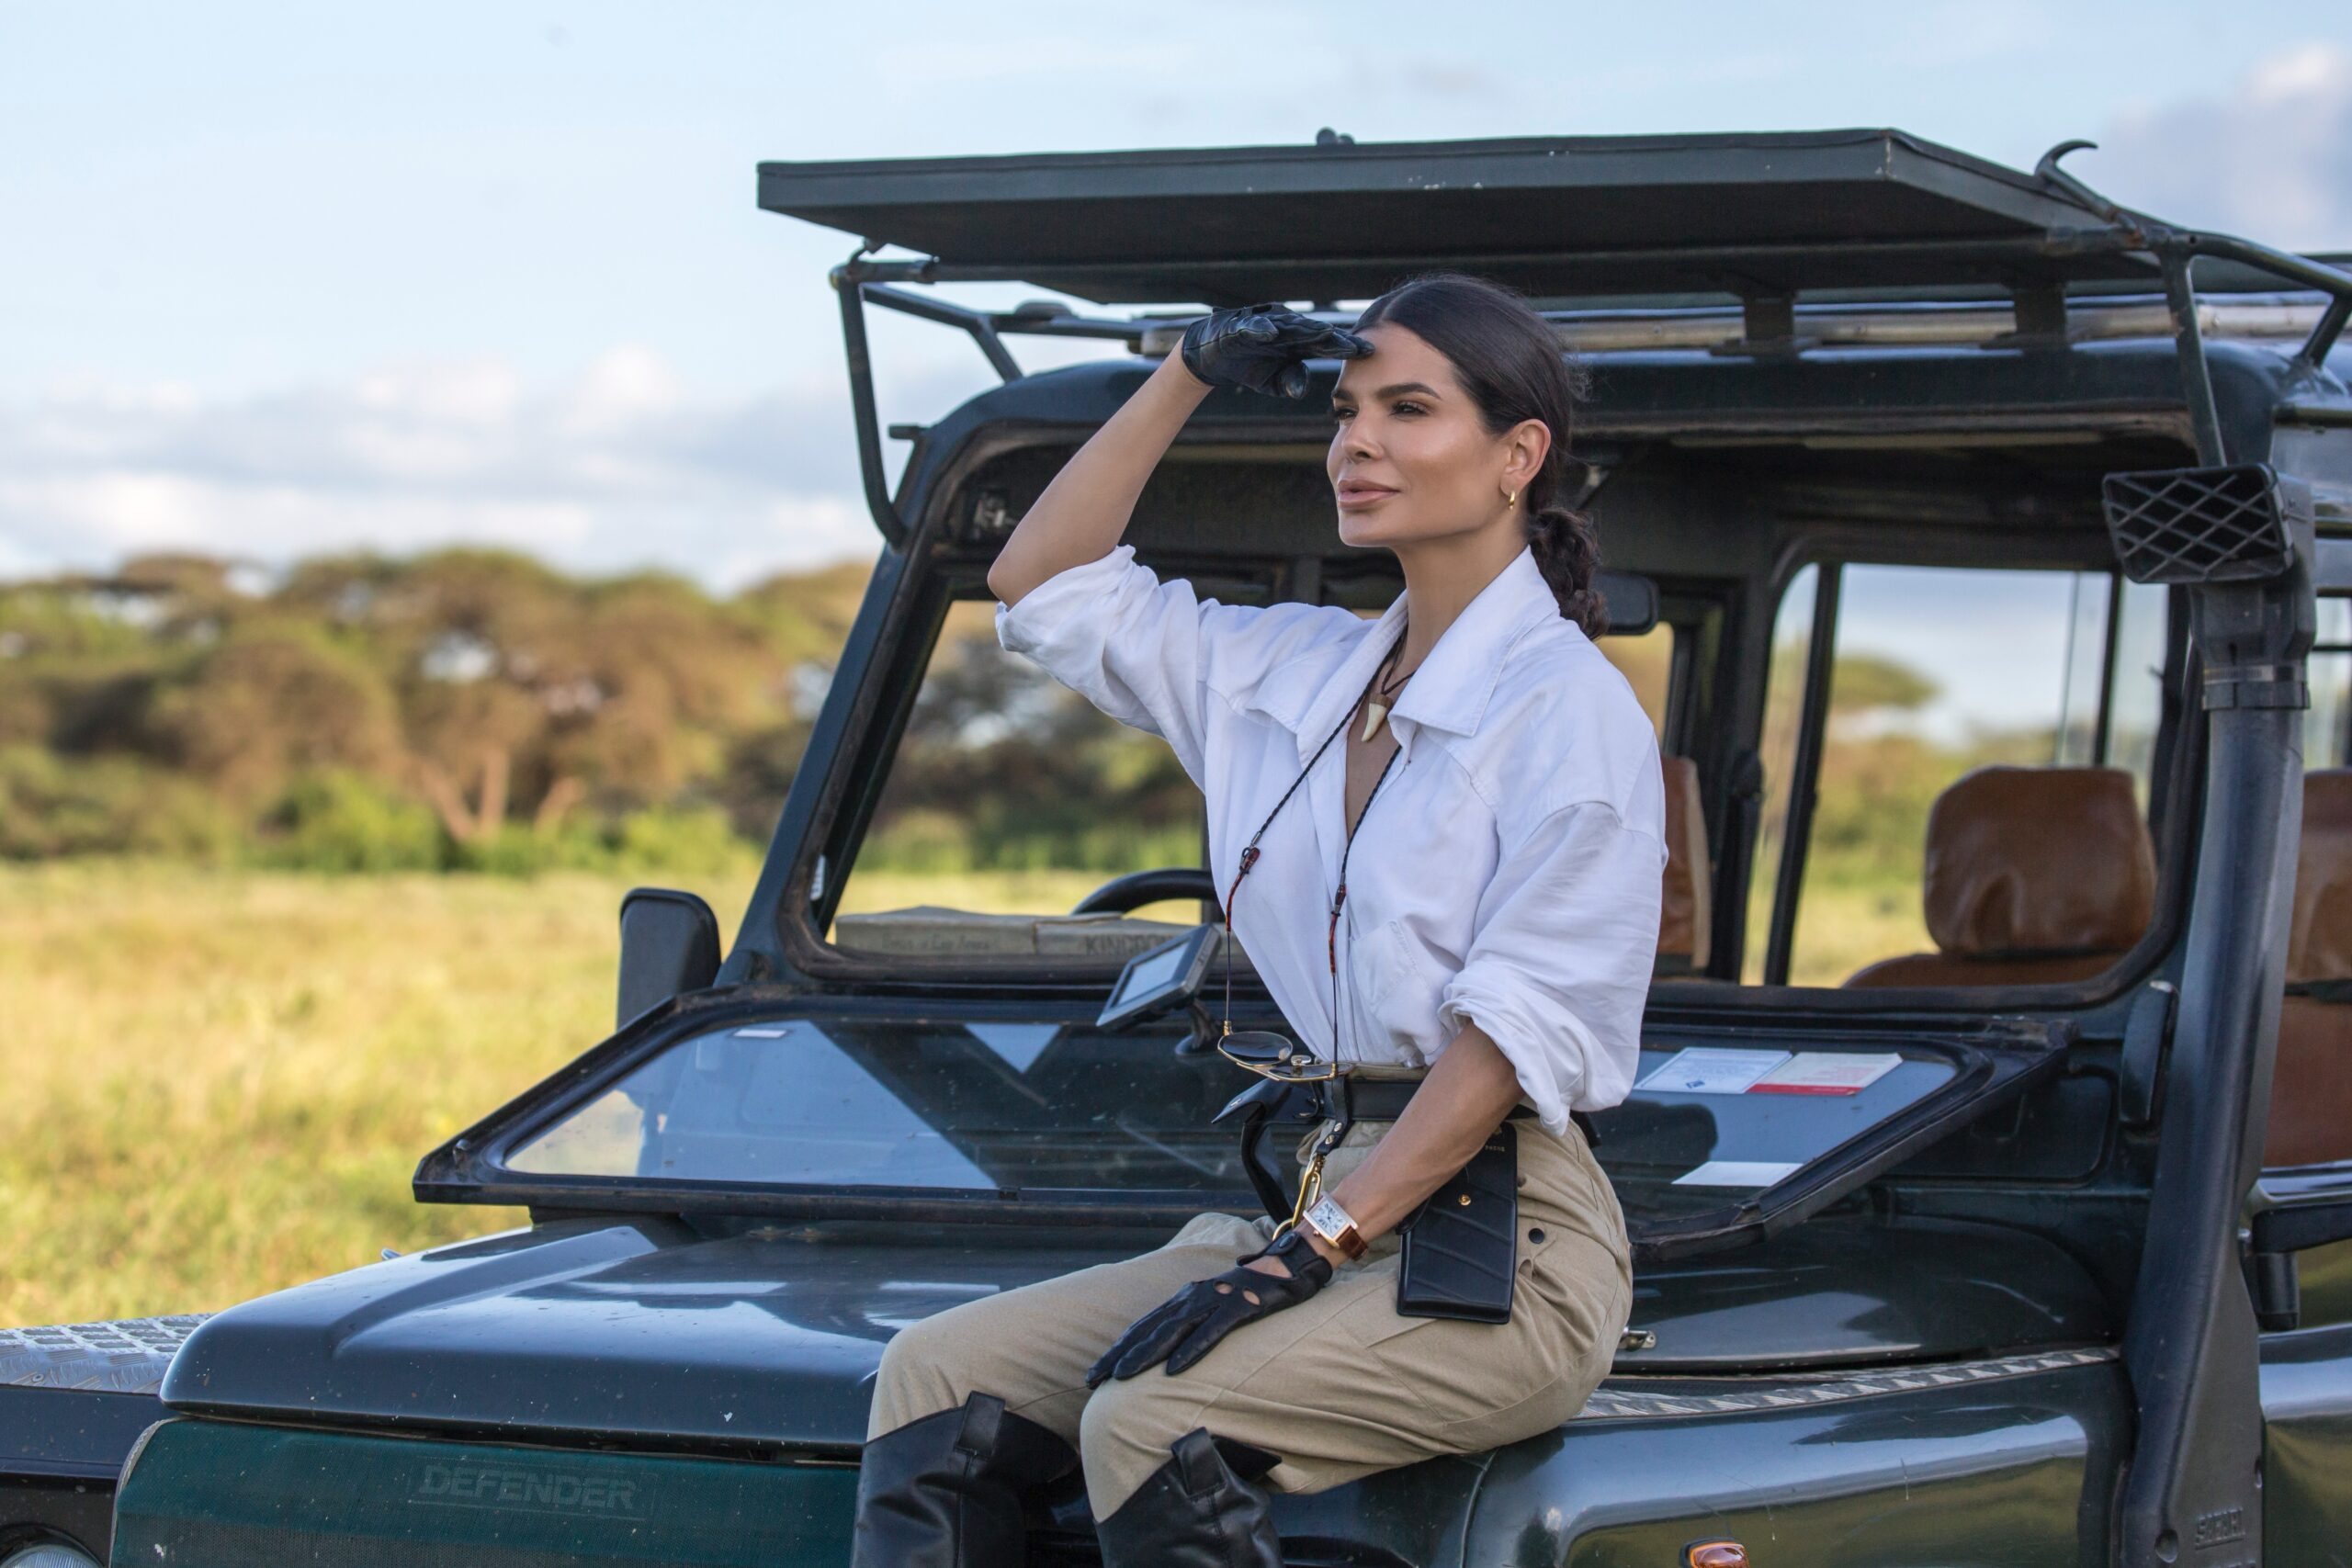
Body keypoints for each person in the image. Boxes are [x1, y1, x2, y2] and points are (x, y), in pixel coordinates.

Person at [850, 274, 1664, 1568]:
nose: (1359, 444)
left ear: (1519, 456)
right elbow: (1043, 581)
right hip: (1319, 1200)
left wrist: (1316, 1248)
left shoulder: (1570, 714)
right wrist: (1187, 370)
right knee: (940, 1374)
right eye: (1345, 413)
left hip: (1501, 1247)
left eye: (1408, 409)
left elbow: (1508, 1043)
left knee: (1149, 1418)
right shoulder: (1295, 671)